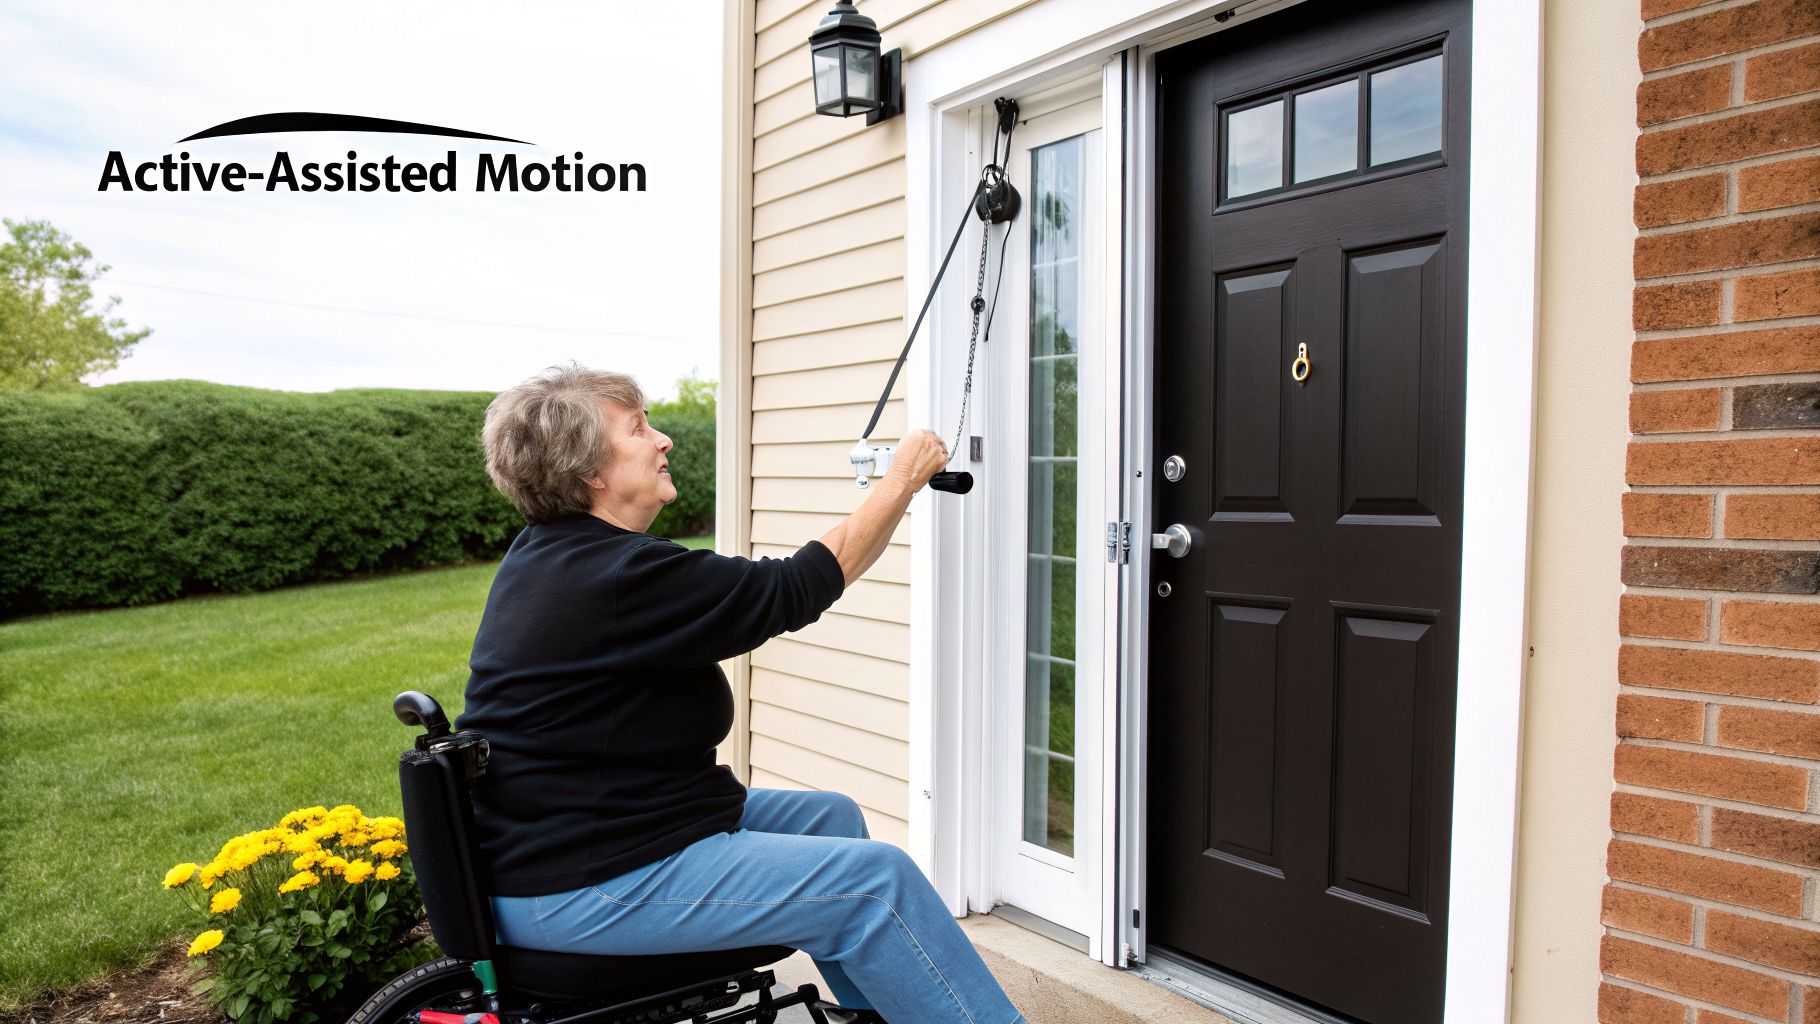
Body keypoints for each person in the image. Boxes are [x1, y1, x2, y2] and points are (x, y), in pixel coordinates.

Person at [455, 364, 1025, 1024]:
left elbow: (806, 583)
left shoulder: (553, 556)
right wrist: (899, 480)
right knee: (877, 884)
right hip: (583, 883)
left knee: (833, 818)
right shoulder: (617, 576)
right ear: (590, 473)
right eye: (639, 429)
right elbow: (796, 588)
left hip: (589, 840)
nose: (663, 439)